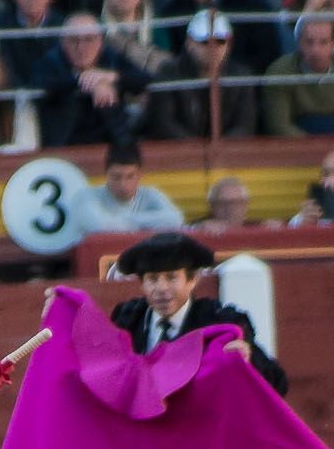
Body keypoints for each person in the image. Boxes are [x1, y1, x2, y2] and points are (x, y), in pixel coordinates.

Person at [102, 230, 287, 392]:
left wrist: (250, 360)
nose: (162, 288)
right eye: (152, 279)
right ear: (142, 284)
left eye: (172, 278)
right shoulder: (127, 320)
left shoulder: (219, 321)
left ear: (192, 281)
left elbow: (277, 383)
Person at [73, 139, 187, 236]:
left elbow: (175, 219)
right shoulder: (88, 196)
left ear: (139, 175)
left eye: (130, 176)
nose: (123, 185)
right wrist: (148, 224)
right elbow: (98, 226)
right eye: (116, 177)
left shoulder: (150, 193)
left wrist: (124, 219)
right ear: (106, 174)